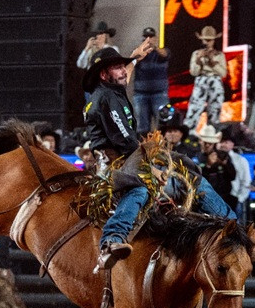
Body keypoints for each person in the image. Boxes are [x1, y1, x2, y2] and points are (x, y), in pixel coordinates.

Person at [83, 46, 235, 270]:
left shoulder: (108, 92)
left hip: (126, 159)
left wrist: (134, 60)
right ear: (104, 75)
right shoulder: (106, 98)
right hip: (115, 164)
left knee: (187, 172)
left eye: (122, 66)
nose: (123, 71)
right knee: (140, 189)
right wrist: (151, 167)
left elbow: (124, 76)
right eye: (117, 67)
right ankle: (112, 238)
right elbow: (125, 141)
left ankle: (233, 227)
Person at [184, 26, 227, 130]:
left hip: (215, 81)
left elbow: (223, 73)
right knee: (195, 107)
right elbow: (193, 72)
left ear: (213, 41)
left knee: (215, 109)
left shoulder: (219, 55)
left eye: (209, 40)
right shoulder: (196, 54)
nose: (207, 42)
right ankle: (189, 132)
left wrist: (213, 64)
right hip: (201, 80)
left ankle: (212, 132)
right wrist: (198, 60)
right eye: (205, 40)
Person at [133, 27, 170, 136]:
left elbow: (165, 54)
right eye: (146, 37)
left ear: (156, 38)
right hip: (141, 94)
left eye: (151, 37)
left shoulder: (163, 51)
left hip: (159, 94)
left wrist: (154, 47)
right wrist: (144, 49)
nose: (148, 39)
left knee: (163, 124)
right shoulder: (139, 52)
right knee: (142, 127)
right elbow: (134, 58)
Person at [197, 125, 236, 210]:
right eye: (205, 142)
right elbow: (195, 177)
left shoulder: (223, 156)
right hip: (202, 197)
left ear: (214, 143)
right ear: (200, 141)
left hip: (222, 197)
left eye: (210, 143)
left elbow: (233, 176)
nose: (207, 145)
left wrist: (224, 164)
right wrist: (208, 165)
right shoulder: (196, 156)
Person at [217, 128, 252, 223]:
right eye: (221, 142)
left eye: (226, 142)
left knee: (236, 228)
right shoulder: (212, 159)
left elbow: (246, 181)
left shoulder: (241, 160)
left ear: (232, 144)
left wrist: (240, 198)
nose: (223, 144)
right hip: (218, 199)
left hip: (235, 199)